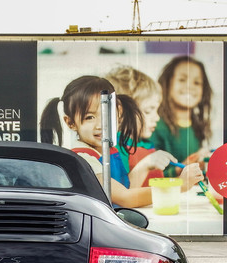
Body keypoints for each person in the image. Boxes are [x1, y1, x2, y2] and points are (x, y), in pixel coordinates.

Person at [40, 75, 203, 208]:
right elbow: (125, 198)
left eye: (105, 115)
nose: (100, 125)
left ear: (118, 114)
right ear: (70, 123)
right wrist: (178, 186)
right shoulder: (84, 158)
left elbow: (126, 188)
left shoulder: (109, 149)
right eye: (89, 117)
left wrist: (146, 165)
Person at [105, 65, 169, 186]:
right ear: (120, 113)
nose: (157, 117)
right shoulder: (116, 149)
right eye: (148, 111)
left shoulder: (144, 145)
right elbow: (123, 194)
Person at [150, 55, 213, 177]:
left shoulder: (197, 126)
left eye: (197, 82)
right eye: (182, 80)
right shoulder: (155, 127)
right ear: (167, 84)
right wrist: (182, 169)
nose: (189, 86)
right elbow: (148, 179)